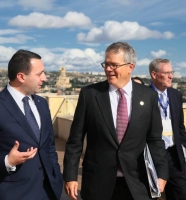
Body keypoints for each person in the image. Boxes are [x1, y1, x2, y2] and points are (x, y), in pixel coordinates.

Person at [63, 42, 168, 200]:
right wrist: (70, 176)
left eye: (114, 65)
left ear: (130, 67)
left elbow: (155, 140)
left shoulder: (148, 96)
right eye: (106, 64)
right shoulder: (90, 94)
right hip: (98, 182)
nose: (108, 69)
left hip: (137, 182)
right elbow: (75, 140)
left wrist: (161, 173)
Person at [0, 50, 63, 200]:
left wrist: (56, 174)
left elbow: (49, 145)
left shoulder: (41, 103)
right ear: (21, 76)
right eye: (39, 74)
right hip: (14, 193)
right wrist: (7, 161)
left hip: (49, 190)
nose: (45, 78)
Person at [149, 58, 186, 200]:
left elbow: (180, 127)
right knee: (151, 194)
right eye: (167, 73)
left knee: (181, 194)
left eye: (172, 72)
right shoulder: (143, 95)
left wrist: (183, 148)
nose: (171, 76)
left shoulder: (176, 95)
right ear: (154, 75)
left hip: (174, 154)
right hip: (153, 156)